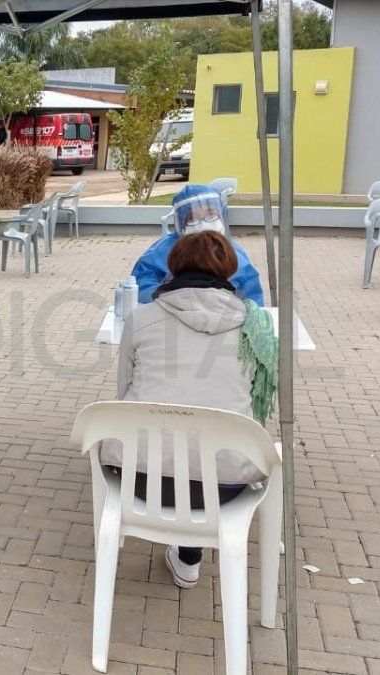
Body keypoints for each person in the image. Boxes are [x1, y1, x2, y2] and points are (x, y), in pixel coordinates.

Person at [101, 231, 277, 588]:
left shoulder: (141, 319)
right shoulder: (256, 326)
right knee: (206, 450)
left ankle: (164, 548)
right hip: (228, 486)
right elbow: (257, 407)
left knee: (172, 443)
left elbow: (125, 396)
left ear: (174, 265)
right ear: (229, 269)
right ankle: (189, 556)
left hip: (139, 481)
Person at [133, 184, 264, 305]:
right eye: (193, 218)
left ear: (221, 213)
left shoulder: (233, 252)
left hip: (222, 320)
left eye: (210, 214)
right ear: (181, 223)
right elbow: (141, 287)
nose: (204, 223)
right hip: (174, 316)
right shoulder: (162, 251)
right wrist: (172, 298)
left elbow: (253, 300)